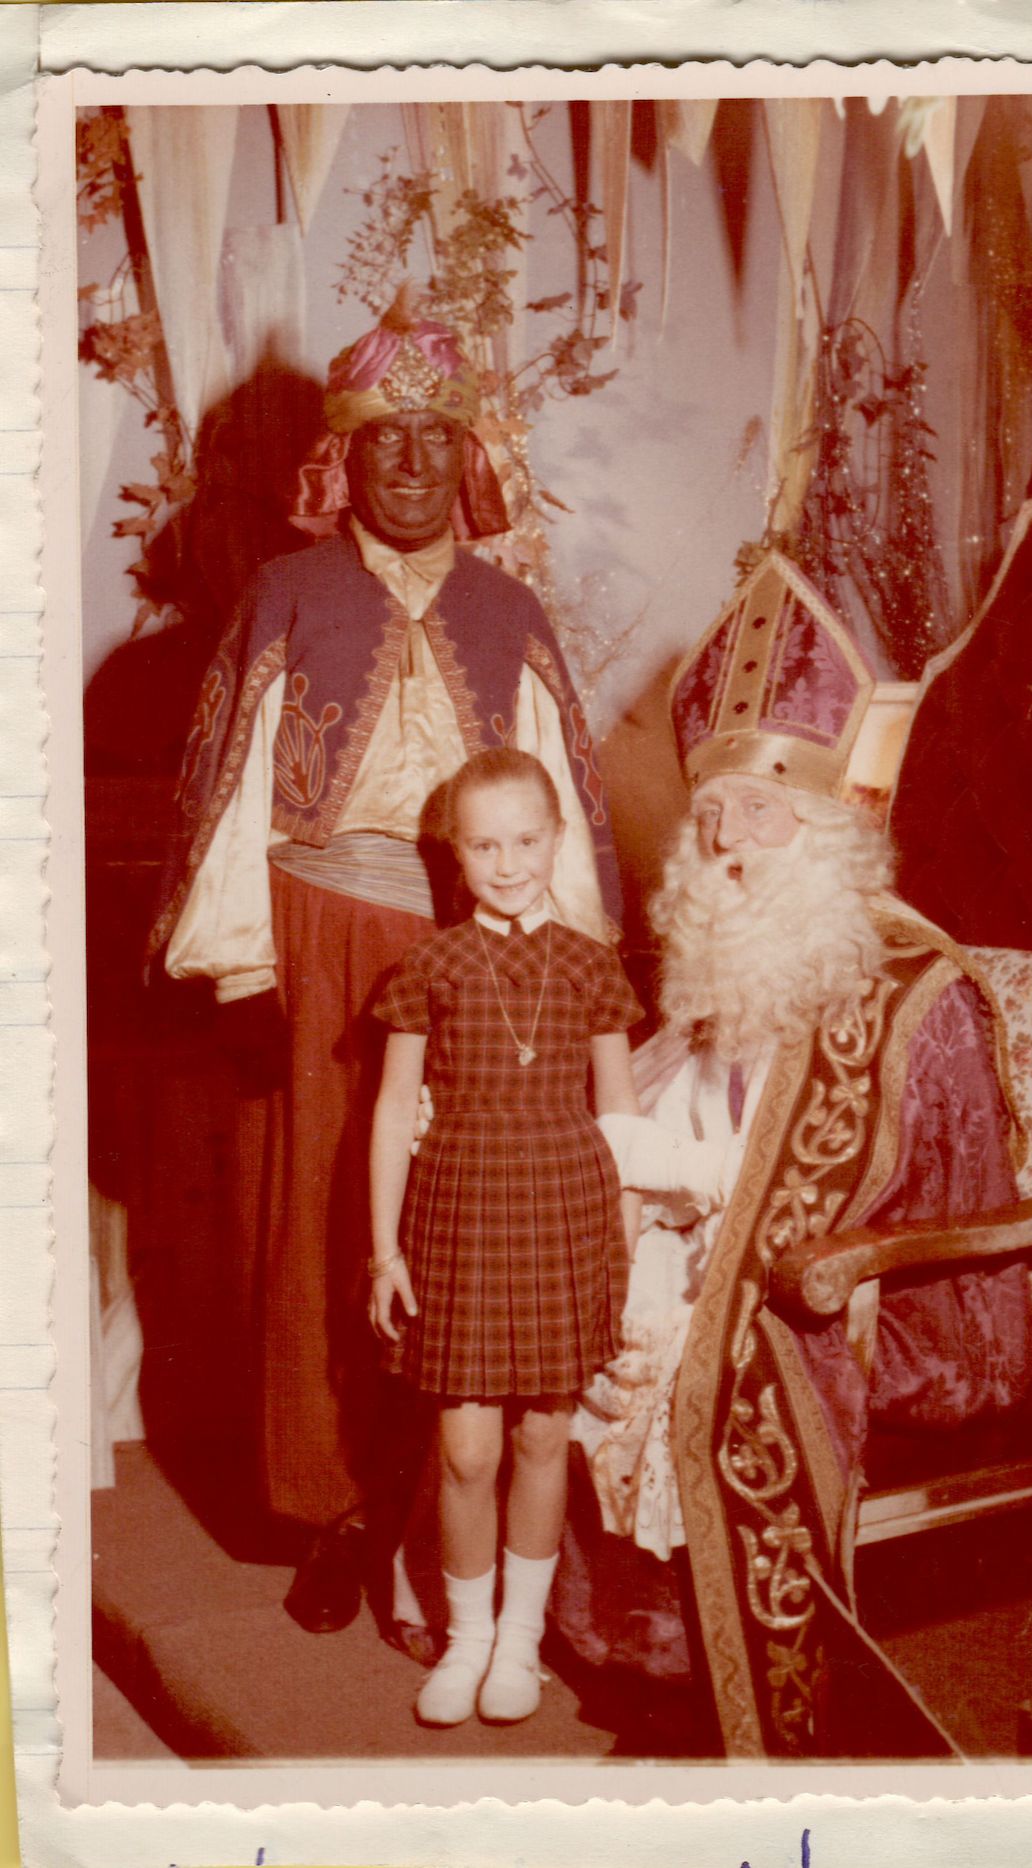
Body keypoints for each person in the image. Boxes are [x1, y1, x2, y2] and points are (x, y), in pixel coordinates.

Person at [148, 289, 623, 1633]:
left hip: (474, 941)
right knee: (316, 1224)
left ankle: (433, 1523)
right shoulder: (287, 595)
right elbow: (233, 789)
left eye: (433, 439)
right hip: (314, 935)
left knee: (463, 1232)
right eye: (383, 442)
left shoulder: (507, 608)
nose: (410, 465)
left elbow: (562, 812)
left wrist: (572, 970)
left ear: (467, 458)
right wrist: (244, 962)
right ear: (340, 462)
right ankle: (330, 1508)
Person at [552, 554, 1032, 1759]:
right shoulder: (727, 951)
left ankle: (701, 1674)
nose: (722, 844)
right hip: (714, 1226)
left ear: (825, 828)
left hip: (876, 1283)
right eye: (710, 813)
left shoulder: (916, 991)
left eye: (758, 814)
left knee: (713, 1352)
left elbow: (931, 1187)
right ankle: (609, 1635)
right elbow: (687, 1111)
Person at [368, 749, 642, 1725]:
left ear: (555, 840)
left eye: (525, 839)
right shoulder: (429, 964)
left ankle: (519, 1640)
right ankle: (466, 1636)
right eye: (484, 844)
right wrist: (384, 1248)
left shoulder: (587, 962)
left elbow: (618, 1117)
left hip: (565, 1211)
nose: (507, 860)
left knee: (539, 1434)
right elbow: (395, 1105)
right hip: (458, 1216)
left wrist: (623, 1247)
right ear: (456, 854)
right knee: (468, 1450)